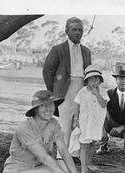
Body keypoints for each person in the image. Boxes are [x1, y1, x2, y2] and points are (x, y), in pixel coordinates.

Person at [1, 90, 118, 173]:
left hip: (40, 168)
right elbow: (45, 158)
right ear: (35, 109)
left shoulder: (53, 123)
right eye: (43, 105)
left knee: (69, 171)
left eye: (51, 104)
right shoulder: (25, 128)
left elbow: (63, 150)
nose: (48, 109)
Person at [42, 17, 91, 160]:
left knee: (79, 122)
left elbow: (88, 72)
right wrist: (54, 91)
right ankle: (61, 157)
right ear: (66, 31)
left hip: (82, 88)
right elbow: (47, 71)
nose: (77, 33)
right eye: (74, 30)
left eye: (80, 30)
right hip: (65, 91)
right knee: (65, 124)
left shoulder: (86, 51)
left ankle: (74, 155)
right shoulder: (58, 50)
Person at [96, 64, 125, 156]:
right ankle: (103, 144)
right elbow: (100, 113)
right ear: (116, 80)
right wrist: (102, 129)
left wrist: (122, 128)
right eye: (120, 78)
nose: (123, 81)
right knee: (102, 112)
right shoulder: (108, 94)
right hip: (111, 126)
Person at [72, 65, 107, 173]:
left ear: (100, 81)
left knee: (93, 144)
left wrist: (97, 94)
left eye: (97, 79)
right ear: (86, 81)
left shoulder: (103, 92)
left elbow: (104, 104)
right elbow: (76, 107)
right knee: (84, 146)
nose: (94, 82)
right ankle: (83, 170)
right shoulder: (82, 92)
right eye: (91, 79)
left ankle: (89, 163)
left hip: (96, 123)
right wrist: (76, 120)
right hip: (84, 123)